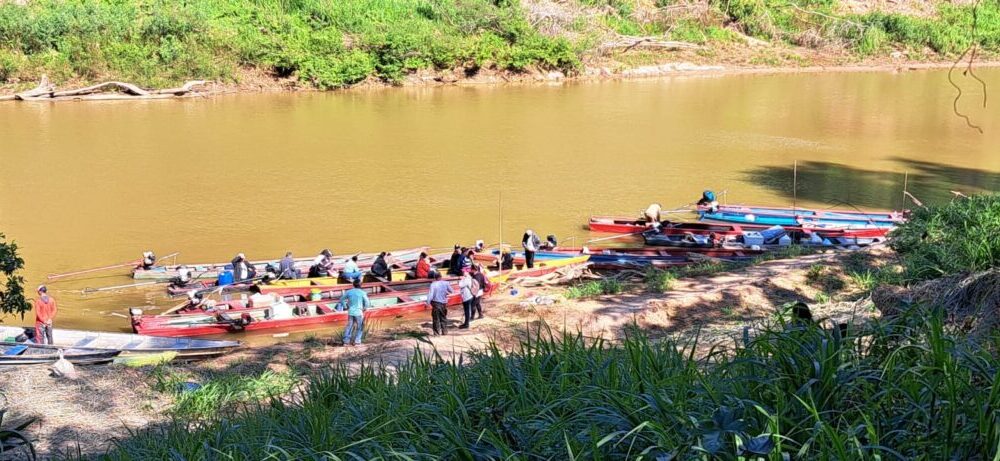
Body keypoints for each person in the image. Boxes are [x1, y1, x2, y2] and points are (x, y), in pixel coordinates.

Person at [336, 279, 370, 346]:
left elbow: (341, 299)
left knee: (349, 326)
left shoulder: (349, 292)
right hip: (359, 312)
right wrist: (365, 308)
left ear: (353, 285)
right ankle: (357, 341)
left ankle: (346, 342)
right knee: (360, 326)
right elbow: (367, 302)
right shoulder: (362, 293)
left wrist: (345, 306)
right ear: (361, 285)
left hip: (350, 312)